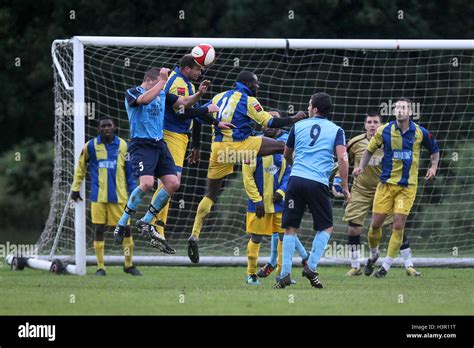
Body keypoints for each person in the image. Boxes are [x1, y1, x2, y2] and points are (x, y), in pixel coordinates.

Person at [187, 70, 307, 264]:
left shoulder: (219, 96)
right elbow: (270, 121)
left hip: (218, 150)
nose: (257, 88)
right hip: (241, 147)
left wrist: (197, 146)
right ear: (249, 84)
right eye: (256, 85)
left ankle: (195, 234)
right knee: (283, 146)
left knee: (210, 195)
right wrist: (294, 118)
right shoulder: (249, 101)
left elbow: (198, 115)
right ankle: (301, 173)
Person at [114, 67, 231, 250]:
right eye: (159, 82)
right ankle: (122, 222)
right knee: (146, 184)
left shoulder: (162, 93)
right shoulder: (133, 92)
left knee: (173, 183)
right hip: (141, 145)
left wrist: (199, 95)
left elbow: (184, 103)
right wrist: (163, 81)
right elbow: (144, 100)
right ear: (150, 80)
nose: (162, 86)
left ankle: (146, 221)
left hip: (159, 145)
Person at [353, 98, 439, 278]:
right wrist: (361, 166)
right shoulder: (384, 131)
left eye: (404, 108)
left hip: (407, 187)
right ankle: (374, 254)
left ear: (410, 112)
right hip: (385, 185)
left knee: (398, 225)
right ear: (394, 111)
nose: (400, 110)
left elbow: (434, 150)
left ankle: (385, 266)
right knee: (375, 225)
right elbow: (369, 150)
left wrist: (433, 167)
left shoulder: (420, 133)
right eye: (397, 108)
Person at [274, 92, 350, 289]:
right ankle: (311, 265)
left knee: (290, 227)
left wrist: (295, 167)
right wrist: (344, 186)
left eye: (309, 105)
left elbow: (287, 154)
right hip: (318, 183)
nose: (307, 108)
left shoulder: (297, 126)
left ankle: (284, 274)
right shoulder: (337, 130)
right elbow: (342, 158)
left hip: (296, 180)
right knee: (326, 227)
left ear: (315, 109)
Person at [333, 112, 421, 276]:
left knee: (397, 225)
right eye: (369, 122)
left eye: (376, 122)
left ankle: (409, 265)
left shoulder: (391, 141)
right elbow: (343, 161)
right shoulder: (355, 142)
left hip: (386, 188)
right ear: (365, 125)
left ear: (381, 126)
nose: (372, 125)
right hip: (361, 190)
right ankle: (355, 266)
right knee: (353, 228)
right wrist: (338, 180)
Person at [149, 55, 208, 242]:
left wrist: (196, 144)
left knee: (170, 182)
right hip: (171, 134)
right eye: (198, 69)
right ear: (187, 68)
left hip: (180, 137)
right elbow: (182, 112)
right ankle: (153, 225)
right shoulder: (178, 82)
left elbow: (194, 115)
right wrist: (207, 108)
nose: (200, 72)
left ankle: (153, 225)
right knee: (170, 182)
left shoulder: (187, 83)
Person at [71, 116, 139, 276]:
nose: (106, 128)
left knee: (126, 230)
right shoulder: (91, 146)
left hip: (120, 197)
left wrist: (134, 193)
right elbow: (81, 167)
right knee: (98, 229)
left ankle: (128, 265)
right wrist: (75, 189)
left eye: (109, 125)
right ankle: (100, 267)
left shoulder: (123, 146)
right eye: (103, 126)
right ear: (99, 129)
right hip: (98, 197)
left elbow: (130, 172)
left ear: (114, 127)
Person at [251, 121, 309, 282]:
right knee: (280, 230)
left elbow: (291, 165)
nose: (270, 124)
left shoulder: (288, 139)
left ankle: (275, 263)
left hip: (289, 189)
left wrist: (282, 190)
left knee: (284, 229)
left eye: (275, 120)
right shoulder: (257, 140)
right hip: (267, 196)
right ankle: (298, 259)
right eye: (268, 120)